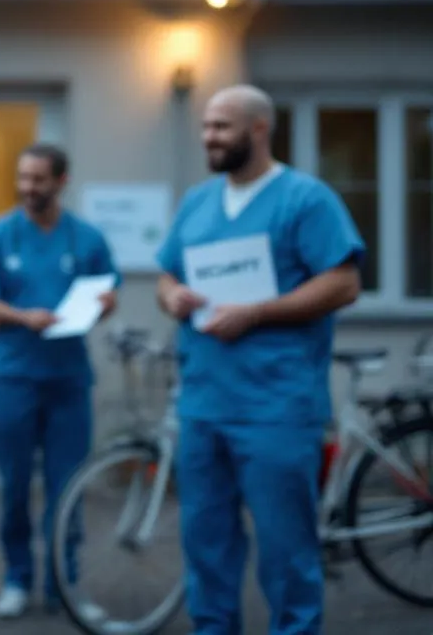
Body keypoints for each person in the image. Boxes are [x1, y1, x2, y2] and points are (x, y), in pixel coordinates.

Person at [155, 85, 363, 635]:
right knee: (205, 545)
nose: (209, 136)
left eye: (221, 126)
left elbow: (343, 283)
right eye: (206, 126)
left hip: (275, 407)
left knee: (286, 550)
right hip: (204, 403)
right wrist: (172, 297)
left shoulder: (305, 199)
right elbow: (166, 275)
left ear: (259, 129)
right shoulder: (198, 202)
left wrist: (256, 313)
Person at [0, 143, 118, 620]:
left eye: (38, 179)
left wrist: (105, 306)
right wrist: (23, 317)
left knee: (68, 486)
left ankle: (65, 583)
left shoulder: (87, 238)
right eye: (23, 178)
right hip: (13, 378)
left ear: (61, 181)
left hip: (68, 382)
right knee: (15, 486)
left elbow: (106, 292)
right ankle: (16, 578)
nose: (28, 187)